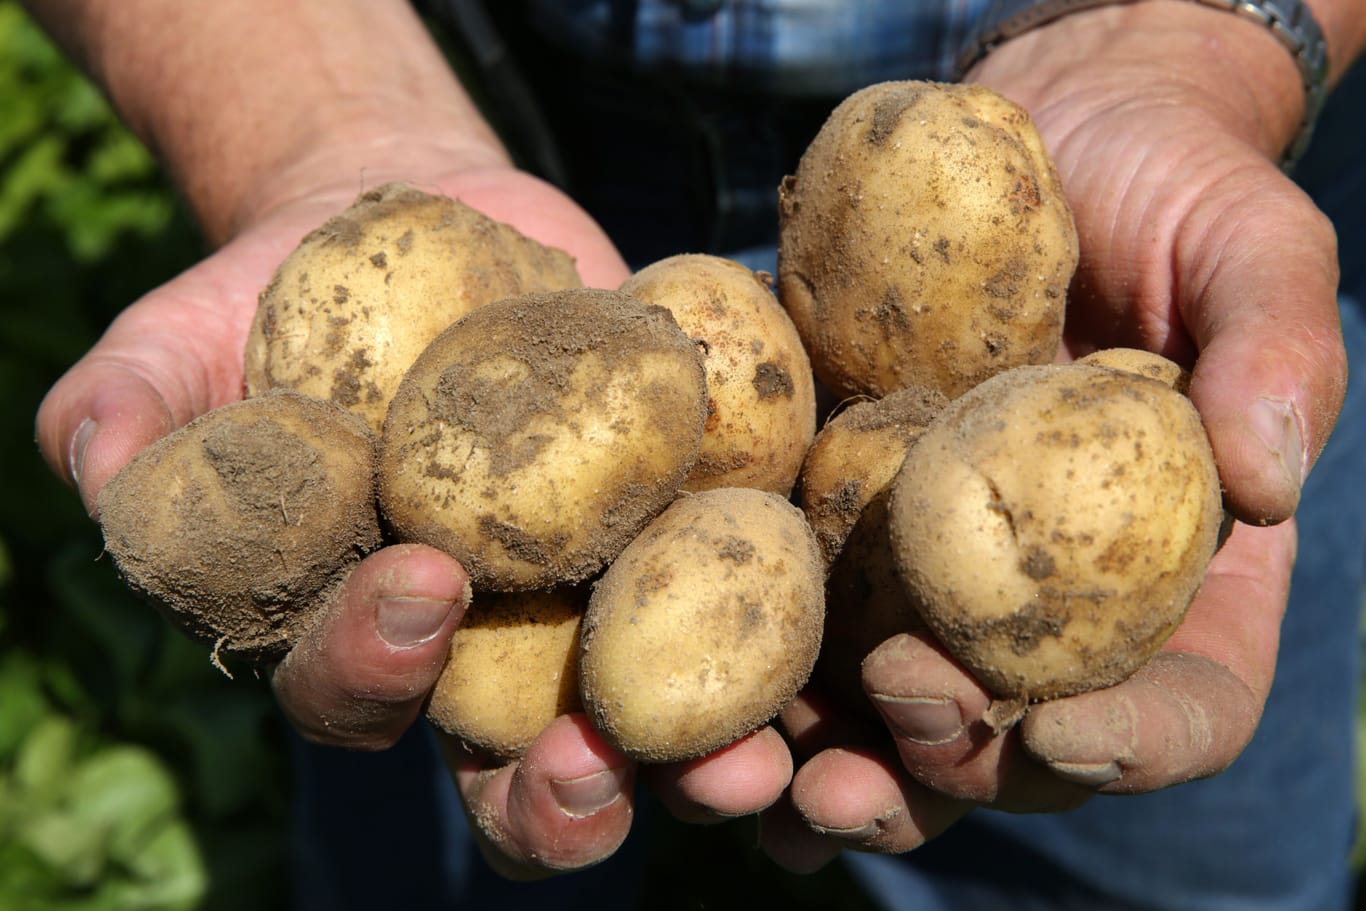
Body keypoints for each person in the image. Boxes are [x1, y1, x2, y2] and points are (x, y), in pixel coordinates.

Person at [26, 0, 1366, 907]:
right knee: (442, 760)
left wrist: (1203, 36)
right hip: (502, 106)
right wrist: (314, 132)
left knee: (1156, 848)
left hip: (1093, 142)